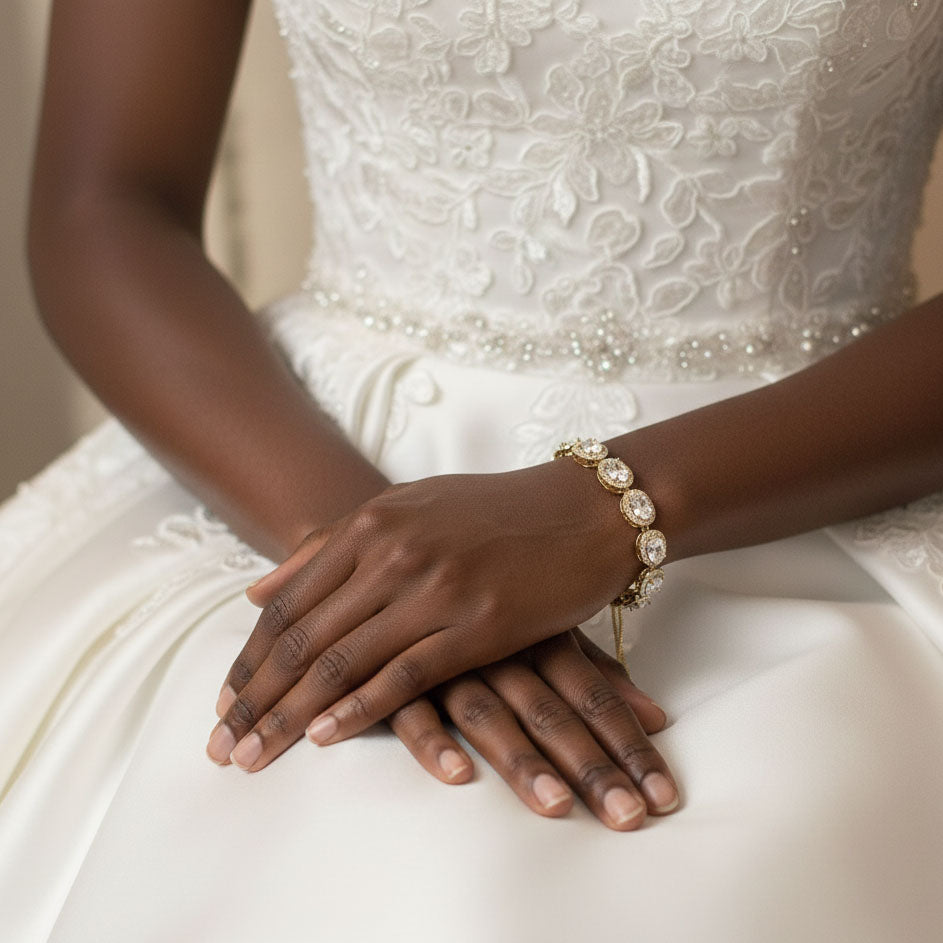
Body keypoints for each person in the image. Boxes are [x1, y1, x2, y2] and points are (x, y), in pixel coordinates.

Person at [2, 0, 943, 940]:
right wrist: (369, 569)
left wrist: (605, 511)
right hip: (288, 455)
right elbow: (105, 204)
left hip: (821, 454)